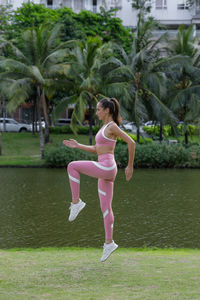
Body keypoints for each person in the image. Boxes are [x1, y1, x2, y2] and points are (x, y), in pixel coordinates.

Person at [63, 98, 135, 262]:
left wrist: (130, 166)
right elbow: (97, 149)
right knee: (106, 208)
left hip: (107, 167)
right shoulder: (105, 128)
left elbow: (131, 142)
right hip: (105, 169)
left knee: (72, 166)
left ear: (107, 110)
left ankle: (76, 202)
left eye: (98, 109)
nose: (96, 112)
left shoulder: (112, 127)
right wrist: (78, 146)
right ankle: (109, 243)